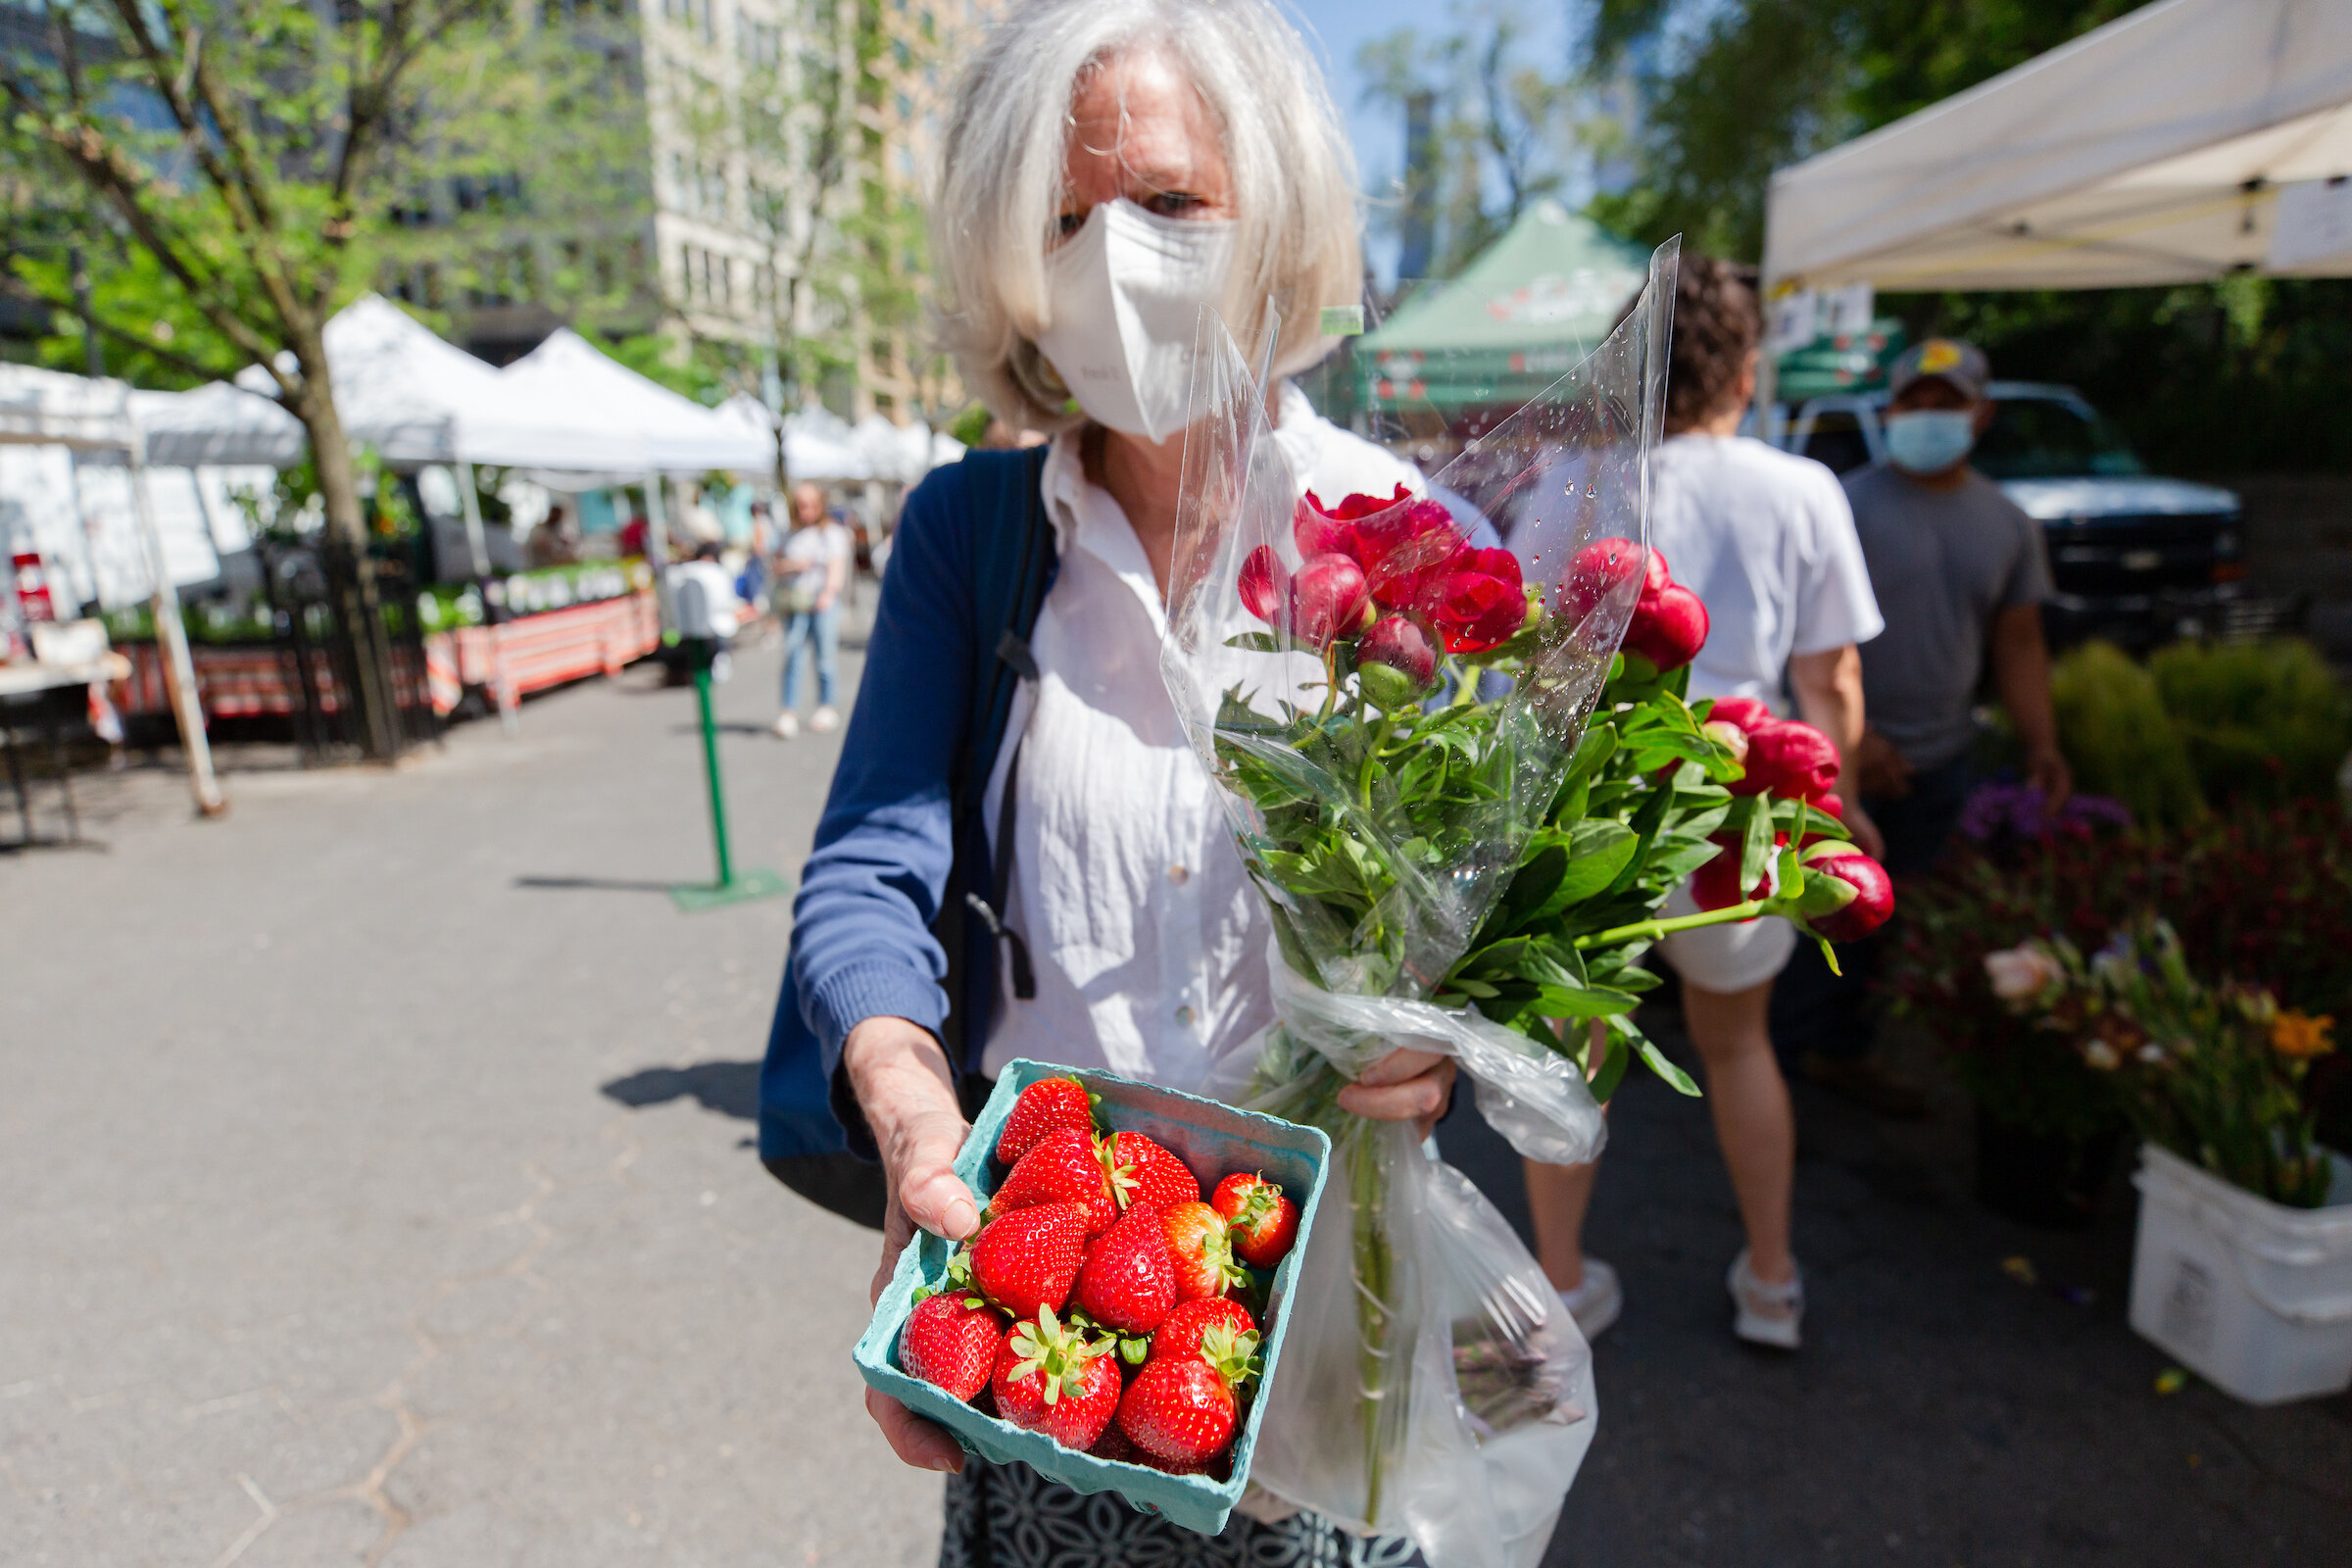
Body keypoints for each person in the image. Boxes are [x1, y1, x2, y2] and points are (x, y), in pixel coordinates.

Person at [761, 3, 1451, 1559]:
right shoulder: (972, 534)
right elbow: (874, 862)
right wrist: (908, 1111)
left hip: (1313, 1297)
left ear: (1270, 211)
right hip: (1042, 1311)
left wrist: (1456, 1037)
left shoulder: (1400, 537)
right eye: (1061, 220)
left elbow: (1482, 917)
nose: (1110, 256)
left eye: (1165, 203)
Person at [1520, 259, 1884, 1352]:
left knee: (1577, 1047)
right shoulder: (1801, 487)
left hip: (1599, 791)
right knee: (1738, 1043)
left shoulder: (1575, 479)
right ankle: (1770, 1279)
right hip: (1744, 794)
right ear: (1749, 369)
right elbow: (1832, 684)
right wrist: (1842, 810)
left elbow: (1539, 658)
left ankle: (1559, 1280)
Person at [1772, 338, 2070, 1106]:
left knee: (1887, 920)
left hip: (1941, 759)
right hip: (1835, 758)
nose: (1929, 417)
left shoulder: (2007, 524)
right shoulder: (1843, 503)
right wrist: (1851, 744)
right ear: (1890, 408)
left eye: (1948, 404)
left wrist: (2042, 745)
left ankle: (1844, 1055)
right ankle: (1771, 1072)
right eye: (1915, 403)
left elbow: (2020, 644)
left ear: (1983, 413)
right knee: (1799, 917)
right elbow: (1799, 642)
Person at [771, 481, 852, 739]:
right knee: (793, 653)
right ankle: (789, 711)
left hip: (821, 601)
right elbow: (777, 565)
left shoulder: (831, 533)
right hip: (796, 601)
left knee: (824, 657)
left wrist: (828, 593)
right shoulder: (789, 533)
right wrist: (793, 566)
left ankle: (827, 706)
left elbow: (837, 567)